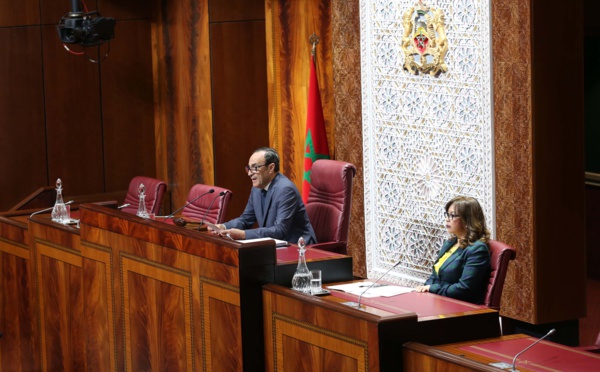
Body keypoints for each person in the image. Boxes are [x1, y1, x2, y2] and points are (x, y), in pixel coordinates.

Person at [210, 147, 317, 244]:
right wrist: (223, 227)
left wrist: (243, 235)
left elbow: (280, 230)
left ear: (271, 168)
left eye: (255, 168)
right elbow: (245, 219)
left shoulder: (285, 190)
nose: (249, 173)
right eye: (249, 168)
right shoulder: (257, 188)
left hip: (297, 246)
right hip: (274, 245)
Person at [415, 196, 491, 304]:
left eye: (452, 215)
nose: (447, 219)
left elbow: (464, 288)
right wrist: (425, 288)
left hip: (460, 308)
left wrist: (432, 289)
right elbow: (435, 275)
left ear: (467, 220)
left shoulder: (477, 249)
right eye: (447, 214)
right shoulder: (450, 243)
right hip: (439, 300)